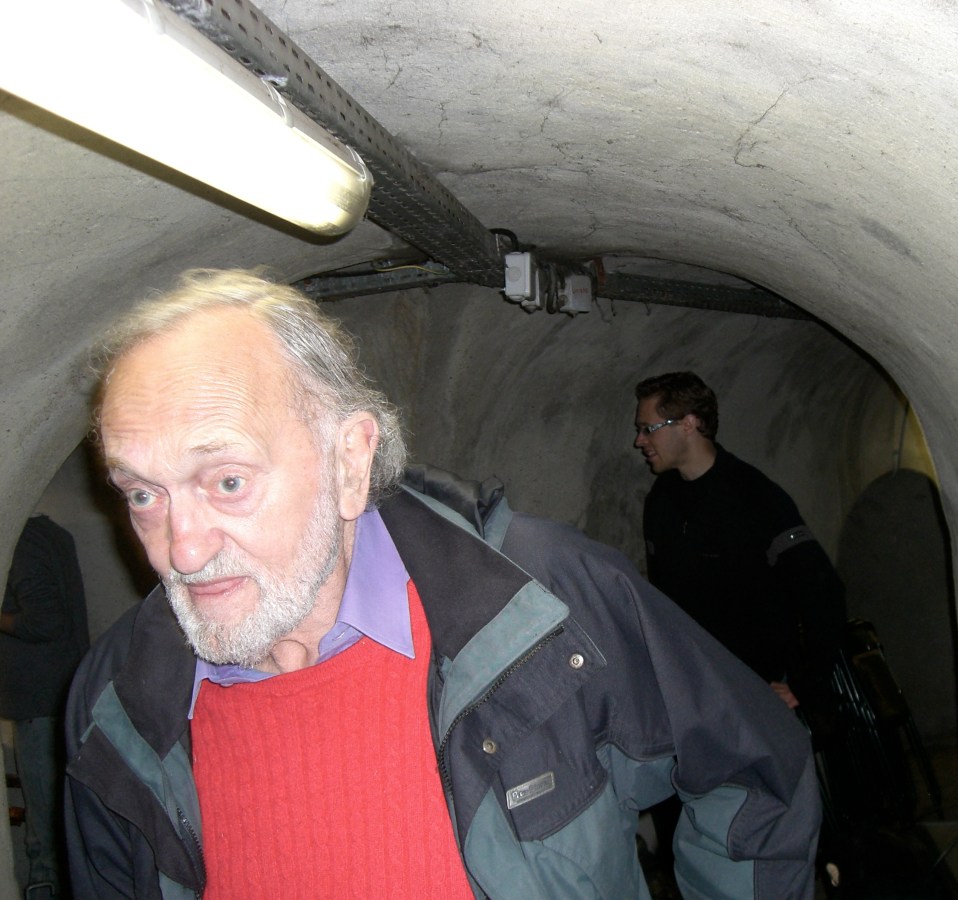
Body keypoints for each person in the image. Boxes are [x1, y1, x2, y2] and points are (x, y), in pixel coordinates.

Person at [63, 269, 821, 900]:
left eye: (226, 480)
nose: (182, 551)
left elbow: (756, 765)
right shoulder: (117, 706)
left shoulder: (541, 604)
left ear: (349, 461)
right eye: (141, 494)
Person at [633, 372, 845, 729]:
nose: (639, 441)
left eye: (648, 428)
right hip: (698, 693)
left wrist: (804, 684)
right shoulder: (661, 502)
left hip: (759, 694)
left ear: (688, 423)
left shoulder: (756, 497)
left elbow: (823, 592)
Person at [1, 514, 91, 900]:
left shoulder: (22, 539)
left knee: (45, 831)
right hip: (59, 696)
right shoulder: (52, 531)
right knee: (60, 820)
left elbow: (45, 622)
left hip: (41, 702)